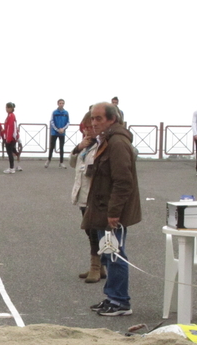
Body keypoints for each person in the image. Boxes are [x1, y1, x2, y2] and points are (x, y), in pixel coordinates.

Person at [82, 102, 142, 316]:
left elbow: (123, 180)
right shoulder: (104, 141)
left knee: (115, 255)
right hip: (101, 207)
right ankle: (112, 297)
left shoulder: (117, 142)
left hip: (111, 211)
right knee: (107, 253)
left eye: (99, 118)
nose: (94, 123)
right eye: (92, 118)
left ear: (111, 120)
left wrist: (114, 212)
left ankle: (120, 301)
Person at [69, 111, 105, 283]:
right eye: (85, 127)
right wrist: (78, 148)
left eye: (90, 127)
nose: (88, 131)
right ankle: (99, 265)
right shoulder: (86, 145)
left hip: (94, 194)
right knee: (89, 230)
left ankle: (96, 267)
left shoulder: (102, 144)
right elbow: (72, 163)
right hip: (83, 193)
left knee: (94, 231)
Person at [45, 99, 70, 168]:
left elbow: (68, 122)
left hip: (62, 132)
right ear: (58, 104)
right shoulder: (54, 112)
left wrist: (63, 129)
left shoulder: (66, 112)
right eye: (60, 103)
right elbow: (52, 121)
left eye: (62, 103)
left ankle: (61, 162)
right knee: (52, 147)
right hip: (54, 132)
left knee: (61, 147)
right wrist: (57, 129)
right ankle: (48, 160)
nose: (61, 104)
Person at [3, 102, 19, 174]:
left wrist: (8, 138)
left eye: (7, 107)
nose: (6, 109)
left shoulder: (11, 116)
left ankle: (12, 168)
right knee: (12, 151)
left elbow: (11, 128)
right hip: (10, 137)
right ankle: (15, 166)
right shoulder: (10, 116)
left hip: (11, 137)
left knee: (9, 152)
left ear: (10, 108)